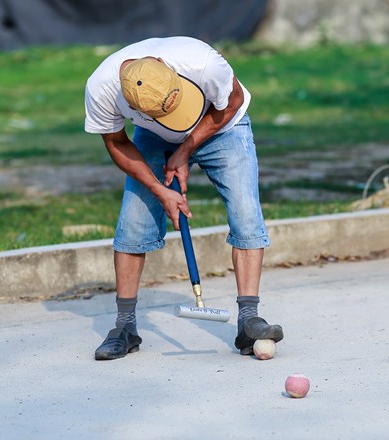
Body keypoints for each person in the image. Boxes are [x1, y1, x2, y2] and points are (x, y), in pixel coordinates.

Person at [84, 36, 283, 360]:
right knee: (133, 223)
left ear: (165, 66)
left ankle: (249, 320)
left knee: (246, 215)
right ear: (133, 107)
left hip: (222, 125)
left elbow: (230, 102)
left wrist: (185, 150)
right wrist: (160, 189)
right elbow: (117, 142)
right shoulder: (101, 89)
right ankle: (125, 326)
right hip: (152, 137)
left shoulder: (202, 62)